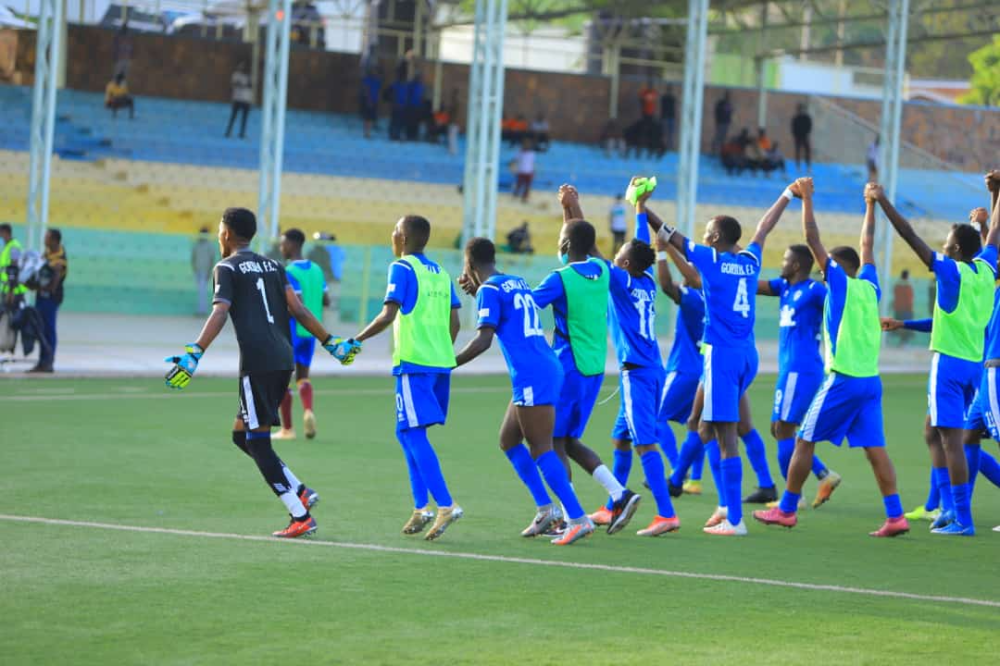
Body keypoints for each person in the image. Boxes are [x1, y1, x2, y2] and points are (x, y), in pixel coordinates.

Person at [164, 208, 360, 538]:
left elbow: (220, 312)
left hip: (258, 363)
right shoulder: (274, 266)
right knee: (241, 435)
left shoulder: (225, 267)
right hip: (283, 358)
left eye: (220, 230)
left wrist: (195, 352)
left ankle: (300, 515)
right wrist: (331, 343)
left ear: (226, 234)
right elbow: (298, 309)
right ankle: (301, 491)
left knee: (257, 442)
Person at [753, 179, 909, 538]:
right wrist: (870, 205)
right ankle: (895, 515)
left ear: (837, 268)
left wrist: (807, 198)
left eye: (827, 268)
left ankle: (787, 509)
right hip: (871, 382)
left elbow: (812, 238)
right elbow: (867, 244)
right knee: (875, 450)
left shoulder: (839, 283)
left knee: (803, 440)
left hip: (843, 378)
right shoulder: (870, 284)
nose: (823, 273)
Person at [656, 179, 788, 536]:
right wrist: (787, 194)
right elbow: (763, 228)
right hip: (746, 356)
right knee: (703, 425)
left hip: (721, 358)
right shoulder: (750, 260)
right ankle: (708, 495)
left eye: (707, 232)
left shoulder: (709, 264)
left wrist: (643, 208)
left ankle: (734, 518)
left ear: (715, 238)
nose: (704, 235)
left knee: (727, 436)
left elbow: (675, 241)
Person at [874, 182, 997, 536]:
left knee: (951, 441)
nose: (941, 248)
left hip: (948, 366)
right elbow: (995, 234)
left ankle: (961, 517)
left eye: (946, 244)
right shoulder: (986, 269)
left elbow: (909, 235)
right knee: (934, 432)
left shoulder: (950, 271)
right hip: (973, 366)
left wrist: (883, 201)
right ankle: (948, 508)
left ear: (955, 250)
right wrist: (997, 193)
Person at [454, 238, 594, 545]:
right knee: (509, 440)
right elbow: (510, 315)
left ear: (469, 264)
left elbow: (483, 341)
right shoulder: (514, 281)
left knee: (541, 448)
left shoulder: (489, 290)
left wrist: (448, 364)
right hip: (542, 368)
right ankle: (547, 510)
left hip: (533, 374)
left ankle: (577, 518)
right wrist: (478, 292)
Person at [563, 181, 681, 537]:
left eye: (619, 255)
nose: (613, 257)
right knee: (621, 438)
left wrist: (573, 206)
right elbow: (640, 243)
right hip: (653, 368)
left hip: (637, 373)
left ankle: (666, 514)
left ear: (624, 263)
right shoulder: (644, 280)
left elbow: (587, 246)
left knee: (645, 442)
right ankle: (611, 505)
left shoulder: (620, 281)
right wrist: (639, 206)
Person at [531, 209, 642, 538]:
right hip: (594, 369)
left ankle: (571, 518)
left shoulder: (559, 278)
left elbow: (526, 305)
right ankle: (619, 494)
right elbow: (585, 240)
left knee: (552, 442)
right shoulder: (603, 271)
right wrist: (571, 207)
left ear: (565, 245)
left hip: (567, 367)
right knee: (568, 440)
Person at [352, 215, 464, 541]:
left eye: (394, 230)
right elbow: (455, 322)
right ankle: (420, 507)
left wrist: (356, 340)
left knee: (413, 433)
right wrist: (440, 352)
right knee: (405, 432)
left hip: (414, 363)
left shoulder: (401, 267)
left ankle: (445, 504)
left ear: (402, 238)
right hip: (439, 364)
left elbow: (388, 314)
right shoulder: (441, 273)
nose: (392, 235)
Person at [757, 244, 842, 508]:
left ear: (795, 266)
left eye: (785, 259)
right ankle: (824, 475)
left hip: (802, 368)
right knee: (778, 428)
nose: (781, 264)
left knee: (783, 428)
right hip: (790, 368)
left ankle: (793, 498)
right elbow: (754, 284)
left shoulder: (815, 290)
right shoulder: (784, 287)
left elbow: (840, 305)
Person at [274, 228, 330, 441]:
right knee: (303, 377)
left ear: (292, 244)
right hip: (311, 332)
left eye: (283, 243)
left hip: (292, 331)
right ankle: (308, 410)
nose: (281, 247)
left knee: (281, 378)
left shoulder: (288, 271)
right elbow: (326, 301)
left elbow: (295, 305)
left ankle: (287, 429)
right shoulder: (317, 270)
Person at [29, 228, 67, 373]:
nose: (44, 239)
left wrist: (39, 287)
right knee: (41, 329)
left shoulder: (59, 260)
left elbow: (53, 285)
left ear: (54, 240)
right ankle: (42, 361)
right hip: (41, 297)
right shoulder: (48, 253)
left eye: (47, 237)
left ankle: (49, 362)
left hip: (51, 299)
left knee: (49, 330)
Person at [191, 227, 216, 316]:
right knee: (201, 291)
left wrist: (209, 272)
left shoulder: (209, 245)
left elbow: (212, 260)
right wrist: (195, 270)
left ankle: (202, 311)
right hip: (198, 271)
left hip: (205, 272)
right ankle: (201, 310)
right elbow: (193, 258)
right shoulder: (196, 245)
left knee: (202, 292)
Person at [0, 223, 26, 306]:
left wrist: (11, 290)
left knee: (13, 312)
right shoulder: (7, 246)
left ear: (5, 232)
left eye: (0, 233)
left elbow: (14, 269)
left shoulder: (14, 246)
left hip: (14, 290)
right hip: (7, 287)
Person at [224, 62, 252, 139]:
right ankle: (228, 132)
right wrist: (242, 84)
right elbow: (234, 84)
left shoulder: (249, 75)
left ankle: (242, 133)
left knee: (244, 118)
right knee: (233, 117)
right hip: (237, 99)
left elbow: (250, 85)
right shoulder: (236, 75)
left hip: (246, 99)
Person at [892, 269, 914, 345]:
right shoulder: (908, 286)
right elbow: (909, 300)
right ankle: (903, 342)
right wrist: (910, 309)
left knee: (898, 326)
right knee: (905, 326)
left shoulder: (897, 285)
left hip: (898, 309)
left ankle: (901, 342)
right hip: (906, 310)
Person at [384, 71, 407, 141]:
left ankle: (397, 134)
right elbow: (388, 94)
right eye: (401, 77)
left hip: (403, 106)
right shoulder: (395, 85)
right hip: (396, 106)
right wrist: (393, 102)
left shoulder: (405, 86)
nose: (402, 79)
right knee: (394, 121)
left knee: (400, 121)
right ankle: (392, 134)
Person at [359, 67, 381, 139]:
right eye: (373, 71)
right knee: (367, 118)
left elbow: (377, 90)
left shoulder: (377, 81)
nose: (375, 72)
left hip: (374, 101)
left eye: (376, 71)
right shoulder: (367, 80)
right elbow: (365, 90)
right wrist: (368, 100)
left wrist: (377, 99)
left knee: (371, 118)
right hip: (368, 101)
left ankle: (369, 132)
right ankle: (366, 132)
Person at [791, 103, 812, 170]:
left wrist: (806, 133)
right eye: (800, 109)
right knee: (798, 151)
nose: (801, 111)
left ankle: (808, 166)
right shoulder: (796, 118)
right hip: (798, 137)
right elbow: (793, 127)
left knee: (807, 151)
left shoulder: (807, 118)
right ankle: (798, 166)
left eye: (802, 109)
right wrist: (795, 135)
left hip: (805, 136)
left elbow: (809, 126)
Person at [405, 72, 424, 141]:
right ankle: (409, 135)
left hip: (418, 106)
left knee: (416, 122)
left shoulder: (421, 86)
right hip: (411, 106)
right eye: (418, 77)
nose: (419, 79)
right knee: (410, 121)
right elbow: (407, 94)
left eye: (420, 77)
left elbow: (421, 96)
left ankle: (414, 135)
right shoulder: (411, 85)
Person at [660, 86, 676, 151]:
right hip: (665, 117)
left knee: (670, 134)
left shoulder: (672, 98)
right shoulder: (665, 98)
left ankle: (670, 147)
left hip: (670, 117)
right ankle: (664, 146)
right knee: (664, 133)